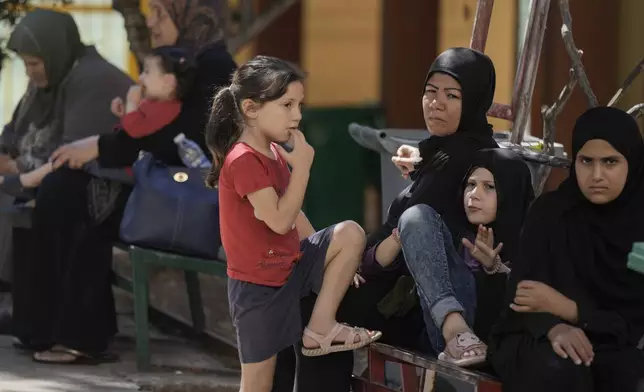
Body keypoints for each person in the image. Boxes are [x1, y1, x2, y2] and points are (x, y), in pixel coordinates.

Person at [271, 47, 501, 391]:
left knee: (310, 305)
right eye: (430, 92)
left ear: (475, 100)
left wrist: (359, 265)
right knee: (303, 301)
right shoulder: (444, 151)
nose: (435, 103)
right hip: (396, 286)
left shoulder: (470, 164)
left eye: (451, 96)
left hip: (414, 304)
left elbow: (406, 243)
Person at [208, 55, 381, 392]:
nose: (297, 115)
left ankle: (320, 327)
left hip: (289, 270)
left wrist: (331, 256)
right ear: (251, 108)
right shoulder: (243, 159)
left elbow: (296, 214)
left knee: (350, 233)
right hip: (258, 287)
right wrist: (302, 168)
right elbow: (277, 220)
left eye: (299, 104)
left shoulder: (273, 150)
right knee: (259, 383)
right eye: (287, 105)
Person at [2, 8, 133, 355]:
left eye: (34, 63)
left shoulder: (93, 79)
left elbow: (72, 156)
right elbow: (14, 133)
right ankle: (32, 324)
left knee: (57, 194)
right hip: (56, 178)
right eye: (26, 65)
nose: (30, 73)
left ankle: (73, 333)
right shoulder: (52, 78)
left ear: (54, 50)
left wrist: (20, 177)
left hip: (110, 187)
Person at [488, 107, 644, 392]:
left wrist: (569, 309)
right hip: (535, 334)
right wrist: (555, 325)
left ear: (632, 163)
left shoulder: (639, 226)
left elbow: (631, 323)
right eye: (586, 161)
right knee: (561, 372)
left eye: (610, 162)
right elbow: (522, 298)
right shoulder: (551, 213)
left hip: (609, 343)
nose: (597, 174)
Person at [355, 148, 534, 367]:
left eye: (489, 187)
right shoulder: (450, 231)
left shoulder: (532, 242)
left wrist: (493, 269)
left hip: (493, 343)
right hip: (441, 337)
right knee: (416, 215)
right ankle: (454, 328)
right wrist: (407, 235)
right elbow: (372, 268)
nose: (474, 194)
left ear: (511, 192)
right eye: (471, 184)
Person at [50, 0, 237, 169]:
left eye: (159, 13)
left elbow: (179, 141)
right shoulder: (182, 63)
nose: (150, 22)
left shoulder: (214, 67)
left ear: (189, 15)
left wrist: (100, 146)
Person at [111, 46, 196, 138]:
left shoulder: (168, 111)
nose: (140, 77)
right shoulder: (152, 102)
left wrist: (132, 103)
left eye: (147, 72)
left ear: (168, 81)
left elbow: (136, 131)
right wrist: (125, 112)